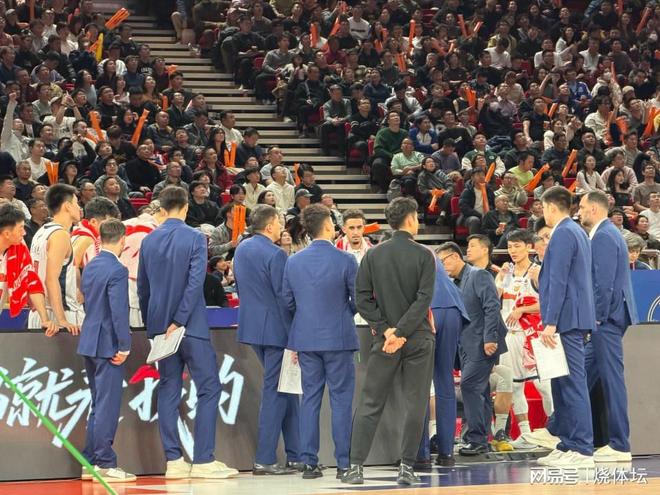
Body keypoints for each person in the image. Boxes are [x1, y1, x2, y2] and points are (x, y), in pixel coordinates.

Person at [137, 186, 238, 480]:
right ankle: (204, 460)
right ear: (185, 208)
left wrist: (154, 326)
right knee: (209, 387)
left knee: (168, 388)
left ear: (162, 208)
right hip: (189, 325)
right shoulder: (195, 237)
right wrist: (180, 319)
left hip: (160, 328)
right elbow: (195, 282)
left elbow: (143, 288)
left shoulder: (149, 240)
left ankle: (174, 460)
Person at [344, 197, 435, 486]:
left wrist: (386, 331)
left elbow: (362, 299)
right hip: (418, 338)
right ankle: (406, 468)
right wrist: (402, 332)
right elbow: (424, 300)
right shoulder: (425, 255)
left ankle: (355, 467)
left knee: (370, 401)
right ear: (410, 219)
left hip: (384, 341)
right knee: (415, 403)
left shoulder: (372, 255)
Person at [283, 204, 359, 479]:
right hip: (339, 338)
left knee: (310, 400)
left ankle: (309, 463)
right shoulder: (346, 260)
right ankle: (343, 464)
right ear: (328, 226)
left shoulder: (293, 261)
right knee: (341, 401)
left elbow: (287, 301)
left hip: (306, 338)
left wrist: (307, 317)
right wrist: (342, 314)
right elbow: (358, 300)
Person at [232, 204, 301, 475]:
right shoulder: (276, 253)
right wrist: (296, 330)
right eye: (279, 221)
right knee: (277, 391)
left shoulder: (242, 249)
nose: (282, 225)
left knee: (287, 388)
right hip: (277, 330)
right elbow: (285, 297)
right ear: (270, 225)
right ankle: (264, 459)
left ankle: (296, 454)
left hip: (252, 327)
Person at [536, 186, 596, 468]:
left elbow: (558, 280)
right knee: (561, 383)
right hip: (570, 317)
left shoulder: (562, 233)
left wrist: (550, 321)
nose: (543, 213)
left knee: (571, 382)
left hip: (566, 320)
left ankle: (582, 448)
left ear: (551, 206)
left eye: (543, 208)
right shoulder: (577, 232)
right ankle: (568, 443)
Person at [579, 191, 638, 462]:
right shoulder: (608, 233)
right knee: (581, 374)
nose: (578, 212)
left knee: (612, 380)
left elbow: (603, 283)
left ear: (593, 209)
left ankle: (620, 444)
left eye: (581, 207)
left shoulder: (603, 235)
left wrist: (597, 317)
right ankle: (557, 430)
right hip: (609, 317)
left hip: (607, 319)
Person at [436, 242, 507, 456]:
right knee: (479, 390)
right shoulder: (454, 282)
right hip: (464, 345)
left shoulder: (478, 275)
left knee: (469, 386)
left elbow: (492, 306)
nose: (442, 266)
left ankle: (476, 438)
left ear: (455, 257)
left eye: (443, 261)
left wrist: (490, 338)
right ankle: (481, 439)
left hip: (482, 343)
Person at [78, 219, 135, 483]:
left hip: (89, 340)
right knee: (107, 406)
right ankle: (105, 462)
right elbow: (118, 311)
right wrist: (124, 345)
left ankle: (90, 460)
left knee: (97, 404)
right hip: (108, 344)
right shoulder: (118, 269)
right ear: (122, 240)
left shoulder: (91, 265)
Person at [495, 229, 553, 450]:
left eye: (517, 246)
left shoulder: (536, 272)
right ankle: (526, 434)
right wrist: (499, 280)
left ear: (529, 247)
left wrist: (522, 310)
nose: (513, 251)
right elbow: (494, 300)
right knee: (515, 387)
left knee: (543, 386)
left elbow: (548, 303)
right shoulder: (507, 273)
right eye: (510, 247)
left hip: (532, 336)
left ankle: (554, 432)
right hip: (509, 336)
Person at [418, 257, 470, 467]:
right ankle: (447, 453)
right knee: (444, 381)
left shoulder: (389, 253)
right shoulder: (427, 252)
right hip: (452, 307)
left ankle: (421, 454)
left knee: (419, 384)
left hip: (427, 309)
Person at [28, 184, 83, 331]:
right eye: (76, 203)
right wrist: (62, 320)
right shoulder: (60, 235)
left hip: (39, 312)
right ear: (67, 206)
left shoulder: (42, 231)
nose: (79, 208)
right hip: (59, 312)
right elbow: (51, 279)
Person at [0, 204, 55, 334]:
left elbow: (32, 282)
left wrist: (45, 319)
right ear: (7, 233)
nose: (24, 233)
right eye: (20, 229)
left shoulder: (18, 249)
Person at [71, 197, 120, 269]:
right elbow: (71, 269)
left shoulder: (85, 233)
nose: (112, 227)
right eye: (109, 223)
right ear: (93, 222)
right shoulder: (86, 239)